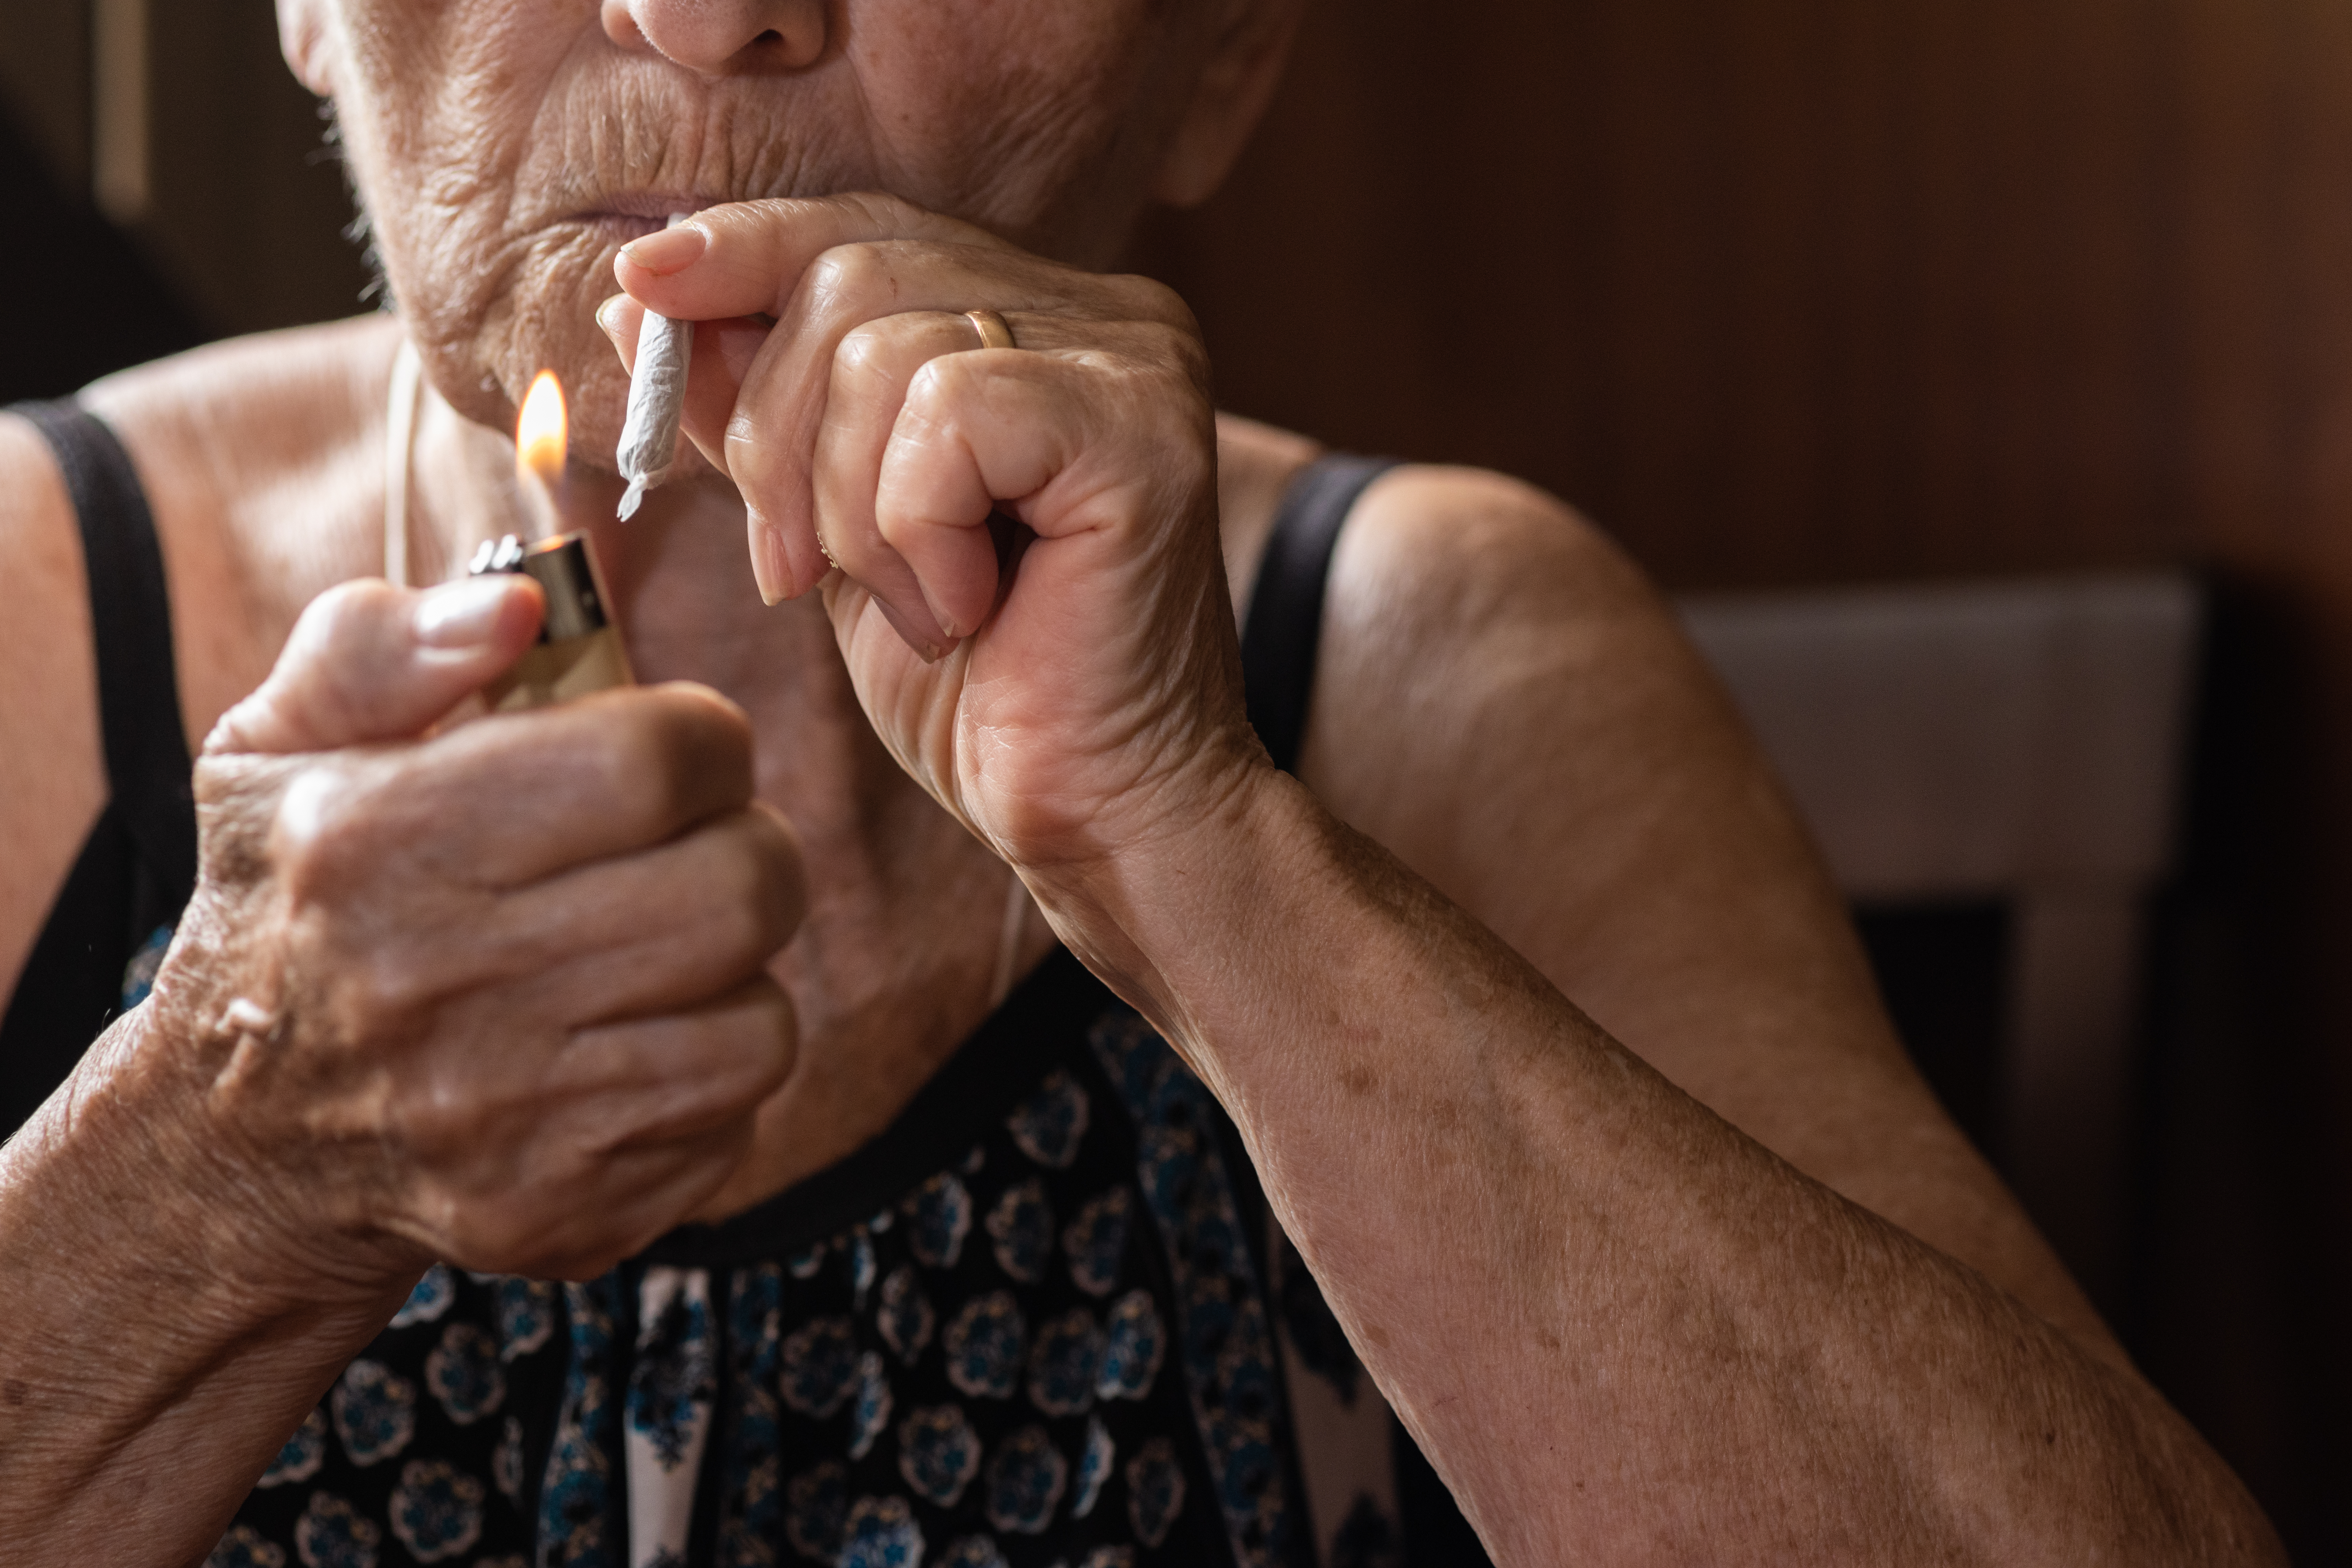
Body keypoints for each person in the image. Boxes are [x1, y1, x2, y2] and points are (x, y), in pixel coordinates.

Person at [0, 0, 2283, 1563]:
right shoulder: (27, 613)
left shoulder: (1414, 656)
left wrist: (1199, 843)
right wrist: (231, 1141)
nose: (713, 8)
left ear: (1220, 60)